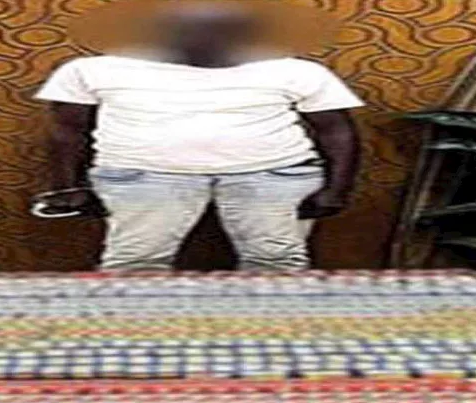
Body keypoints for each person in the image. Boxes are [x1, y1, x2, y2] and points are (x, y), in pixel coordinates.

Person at [32, 1, 365, 270]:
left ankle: (270, 329)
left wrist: (338, 190)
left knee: (276, 262)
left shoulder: (295, 70)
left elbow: (337, 131)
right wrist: (66, 187)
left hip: (273, 173)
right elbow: (68, 132)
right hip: (143, 174)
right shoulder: (91, 70)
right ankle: (134, 329)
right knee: (135, 263)